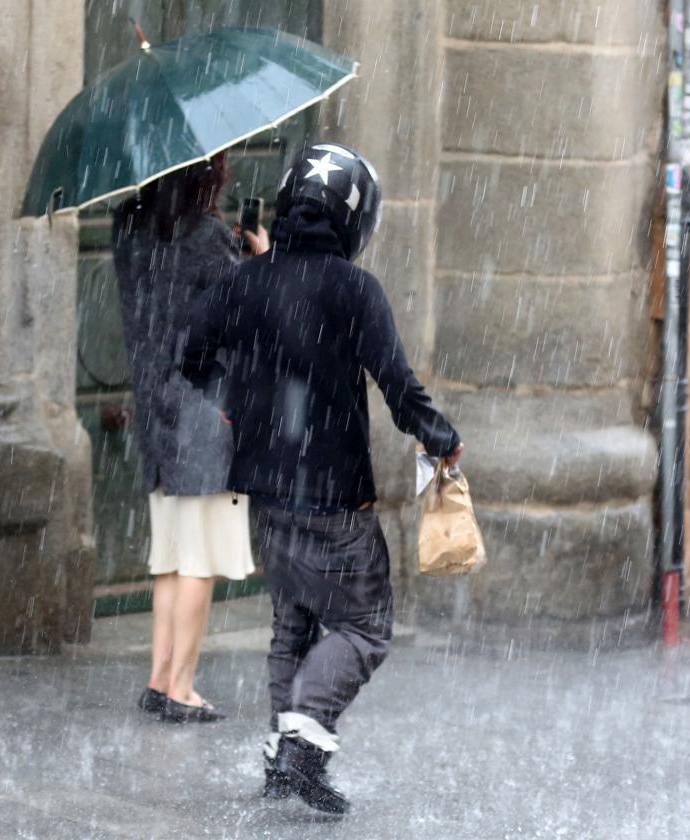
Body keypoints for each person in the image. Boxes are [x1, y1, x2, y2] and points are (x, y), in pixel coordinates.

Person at [180, 143, 462, 812]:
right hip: (333, 494)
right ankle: (304, 747)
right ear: (354, 217)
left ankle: (284, 759)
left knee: (294, 621)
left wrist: (232, 398)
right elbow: (397, 384)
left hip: (264, 489)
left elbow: (189, 355)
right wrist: (441, 439)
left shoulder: (243, 280)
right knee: (365, 625)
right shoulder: (354, 288)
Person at [112, 152, 269, 724]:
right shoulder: (205, 237)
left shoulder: (126, 227)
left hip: (155, 410)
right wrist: (262, 257)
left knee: (171, 556)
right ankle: (181, 687)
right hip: (207, 412)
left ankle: (159, 679)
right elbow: (248, 315)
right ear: (206, 174)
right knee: (198, 559)